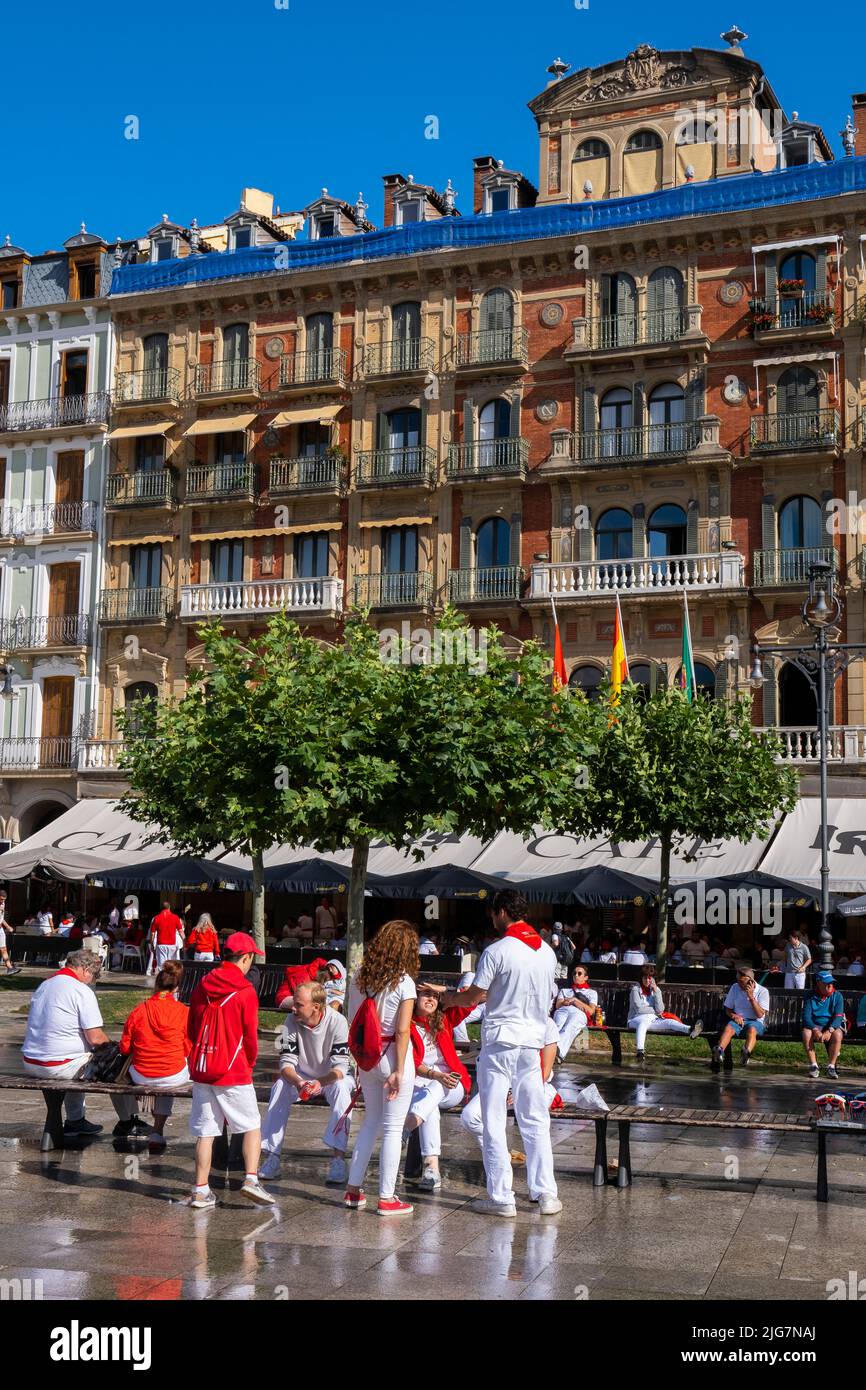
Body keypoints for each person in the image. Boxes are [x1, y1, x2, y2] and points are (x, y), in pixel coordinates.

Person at [438, 889, 561, 1218]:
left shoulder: (497, 951)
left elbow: (473, 999)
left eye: (493, 913)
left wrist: (448, 998)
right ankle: (546, 1192)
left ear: (503, 912)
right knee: (534, 1117)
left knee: (494, 1118)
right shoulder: (547, 953)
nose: (491, 919)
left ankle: (502, 1197)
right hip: (533, 1040)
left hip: (501, 1041)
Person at [186, 932, 274, 1209]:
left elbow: (192, 1026)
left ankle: (200, 1189)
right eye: (251, 959)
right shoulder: (246, 992)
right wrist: (249, 1063)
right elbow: (250, 1036)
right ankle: (251, 1179)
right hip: (232, 1069)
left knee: (206, 1131)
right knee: (251, 1125)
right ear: (245, 958)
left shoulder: (203, 985)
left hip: (203, 1068)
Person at [344, 919, 418, 1217]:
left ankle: (353, 1189)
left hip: (368, 1057)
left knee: (370, 1122)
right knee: (392, 1128)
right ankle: (387, 1197)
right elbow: (402, 1032)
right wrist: (399, 1070)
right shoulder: (404, 982)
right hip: (393, 1055)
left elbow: (353, 1020)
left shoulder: (359, 976)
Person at [259, 980, 355, 1184]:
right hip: (302, 1076)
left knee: (341, 1089)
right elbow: (286, 1064)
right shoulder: (290, 1021)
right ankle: (272, 1156)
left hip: (331, 1077)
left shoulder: (338, 1022)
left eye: (299, 1004)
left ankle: (338, 1159)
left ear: (316, 1007)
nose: (293, 1008)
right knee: (280, 1086)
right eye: (294, 1002)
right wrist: (299, 1082)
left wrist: (320, 1083)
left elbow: (340, 1069)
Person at [21, 949, 109, 1136]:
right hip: (59, 1065)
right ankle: (128, 1121)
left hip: (31, 1061)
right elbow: (95, 1038)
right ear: (85, 969)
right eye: (94, 975)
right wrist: (116, 1050)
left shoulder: (44, 985)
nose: (93, 980)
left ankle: (76, 1120)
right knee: (110, 1062)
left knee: (80, 1057)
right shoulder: (80, 990)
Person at [462, 1016, 562, 1162]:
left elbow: (545, 1071)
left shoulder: (546, 1022)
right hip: (500, 1083)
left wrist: (518, 1090)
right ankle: (500, 1156)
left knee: (534, 1125)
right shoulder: (498, 1018)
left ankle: (539, 1174)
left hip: (535, 1085)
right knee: (469, 1117)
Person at [403, 983, 473, 1191]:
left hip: (453, 1084)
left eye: (435, 996)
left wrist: (443, 990)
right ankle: (432, 1168)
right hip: (420, 1081)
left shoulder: (444, 1019)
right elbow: (412, 1062)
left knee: (434, 1091)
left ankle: (405, 1129)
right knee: (429, 1105)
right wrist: (436, 1075)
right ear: (415, 998)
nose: (431, 999)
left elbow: (470, 1001)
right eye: (426, 994)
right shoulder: (406, 1024)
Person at [116, 959, 191, 1146]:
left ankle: (138, 1121)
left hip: (142, 1074)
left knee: (154, 1074)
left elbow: (125, 1048)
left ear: (157, 984)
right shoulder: (183, 1011)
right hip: (172, 1073)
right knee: (171, 1074)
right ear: (176, 988)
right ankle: (157, 1131)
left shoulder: (139, 1011)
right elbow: (188, 1047)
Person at [628, 964, 703, 1061]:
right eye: (645, 978)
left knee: (669, 1022)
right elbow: (639, 1009)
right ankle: (640, 1052)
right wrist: (654, 1010)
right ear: (641, 978)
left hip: (652, 1019)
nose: (647, 981)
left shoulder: (655, 990)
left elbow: (660, 1009)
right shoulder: (635, 990)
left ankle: (690, 1030)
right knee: (642, 1024)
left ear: (653, 979)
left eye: (650, 978)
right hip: (635, 1019)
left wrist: (656, 992)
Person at [715, 966, 770, 1067]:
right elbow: (728, 1009)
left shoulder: (763, 991)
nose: (738, 984)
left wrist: (751, 997)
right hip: (738, 1019)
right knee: (729, 1028)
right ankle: (719, 1051)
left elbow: (760, 1014)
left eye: (741, 982)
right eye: (738, 980)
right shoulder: (735, 987)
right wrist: (734, 1015)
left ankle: (746, 1053)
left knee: (752, 1030)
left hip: (755, 1021)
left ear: (750, 981)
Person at [802, 971, 846, 1079]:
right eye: (827, 983)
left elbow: (838, 1017)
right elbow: (806, 1017)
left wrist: (830, 1030)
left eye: (831, 982)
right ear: (818, 983)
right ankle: (814, 1066)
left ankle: (831, 1067)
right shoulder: (810, 996)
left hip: (831, 1026)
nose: (830, 985)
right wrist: (815, 1029)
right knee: (806, 1033)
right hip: (815, 1025)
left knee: (838, 1034)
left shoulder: (837, 996)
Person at [551, 962, 598, 1061]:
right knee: (557, 1025)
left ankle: (556, 1050)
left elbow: (591, 1011)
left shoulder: (591, 993)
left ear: (586, 977)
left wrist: (575, 1001)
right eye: (574, 973)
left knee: (570, 1026)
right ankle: (557, 1054)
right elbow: (558, 1005)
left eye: (579, 973)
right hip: (563, 1010)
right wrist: (568, 1002)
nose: (576, 975)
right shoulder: (565, 990)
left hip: (579, 1014)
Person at [149, 902, 185, 973]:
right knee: (171, 965)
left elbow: (152, 933)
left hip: (161, 944)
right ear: (169, 908)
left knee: (162, 966)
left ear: (161, 908)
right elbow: (181, 931)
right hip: (172, 945)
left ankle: (163, 981)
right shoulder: (175, 917)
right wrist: (184, 942)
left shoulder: (156, 918)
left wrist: (152, 943)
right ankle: (171, 981)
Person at [0, 894, 20, 976]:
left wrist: (8, 927)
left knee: (4, 949)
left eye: (4, 900)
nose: (3, 901)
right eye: (1, 899)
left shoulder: (3, 904)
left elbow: (1, 918)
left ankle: (10, 968)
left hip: (0, 929)